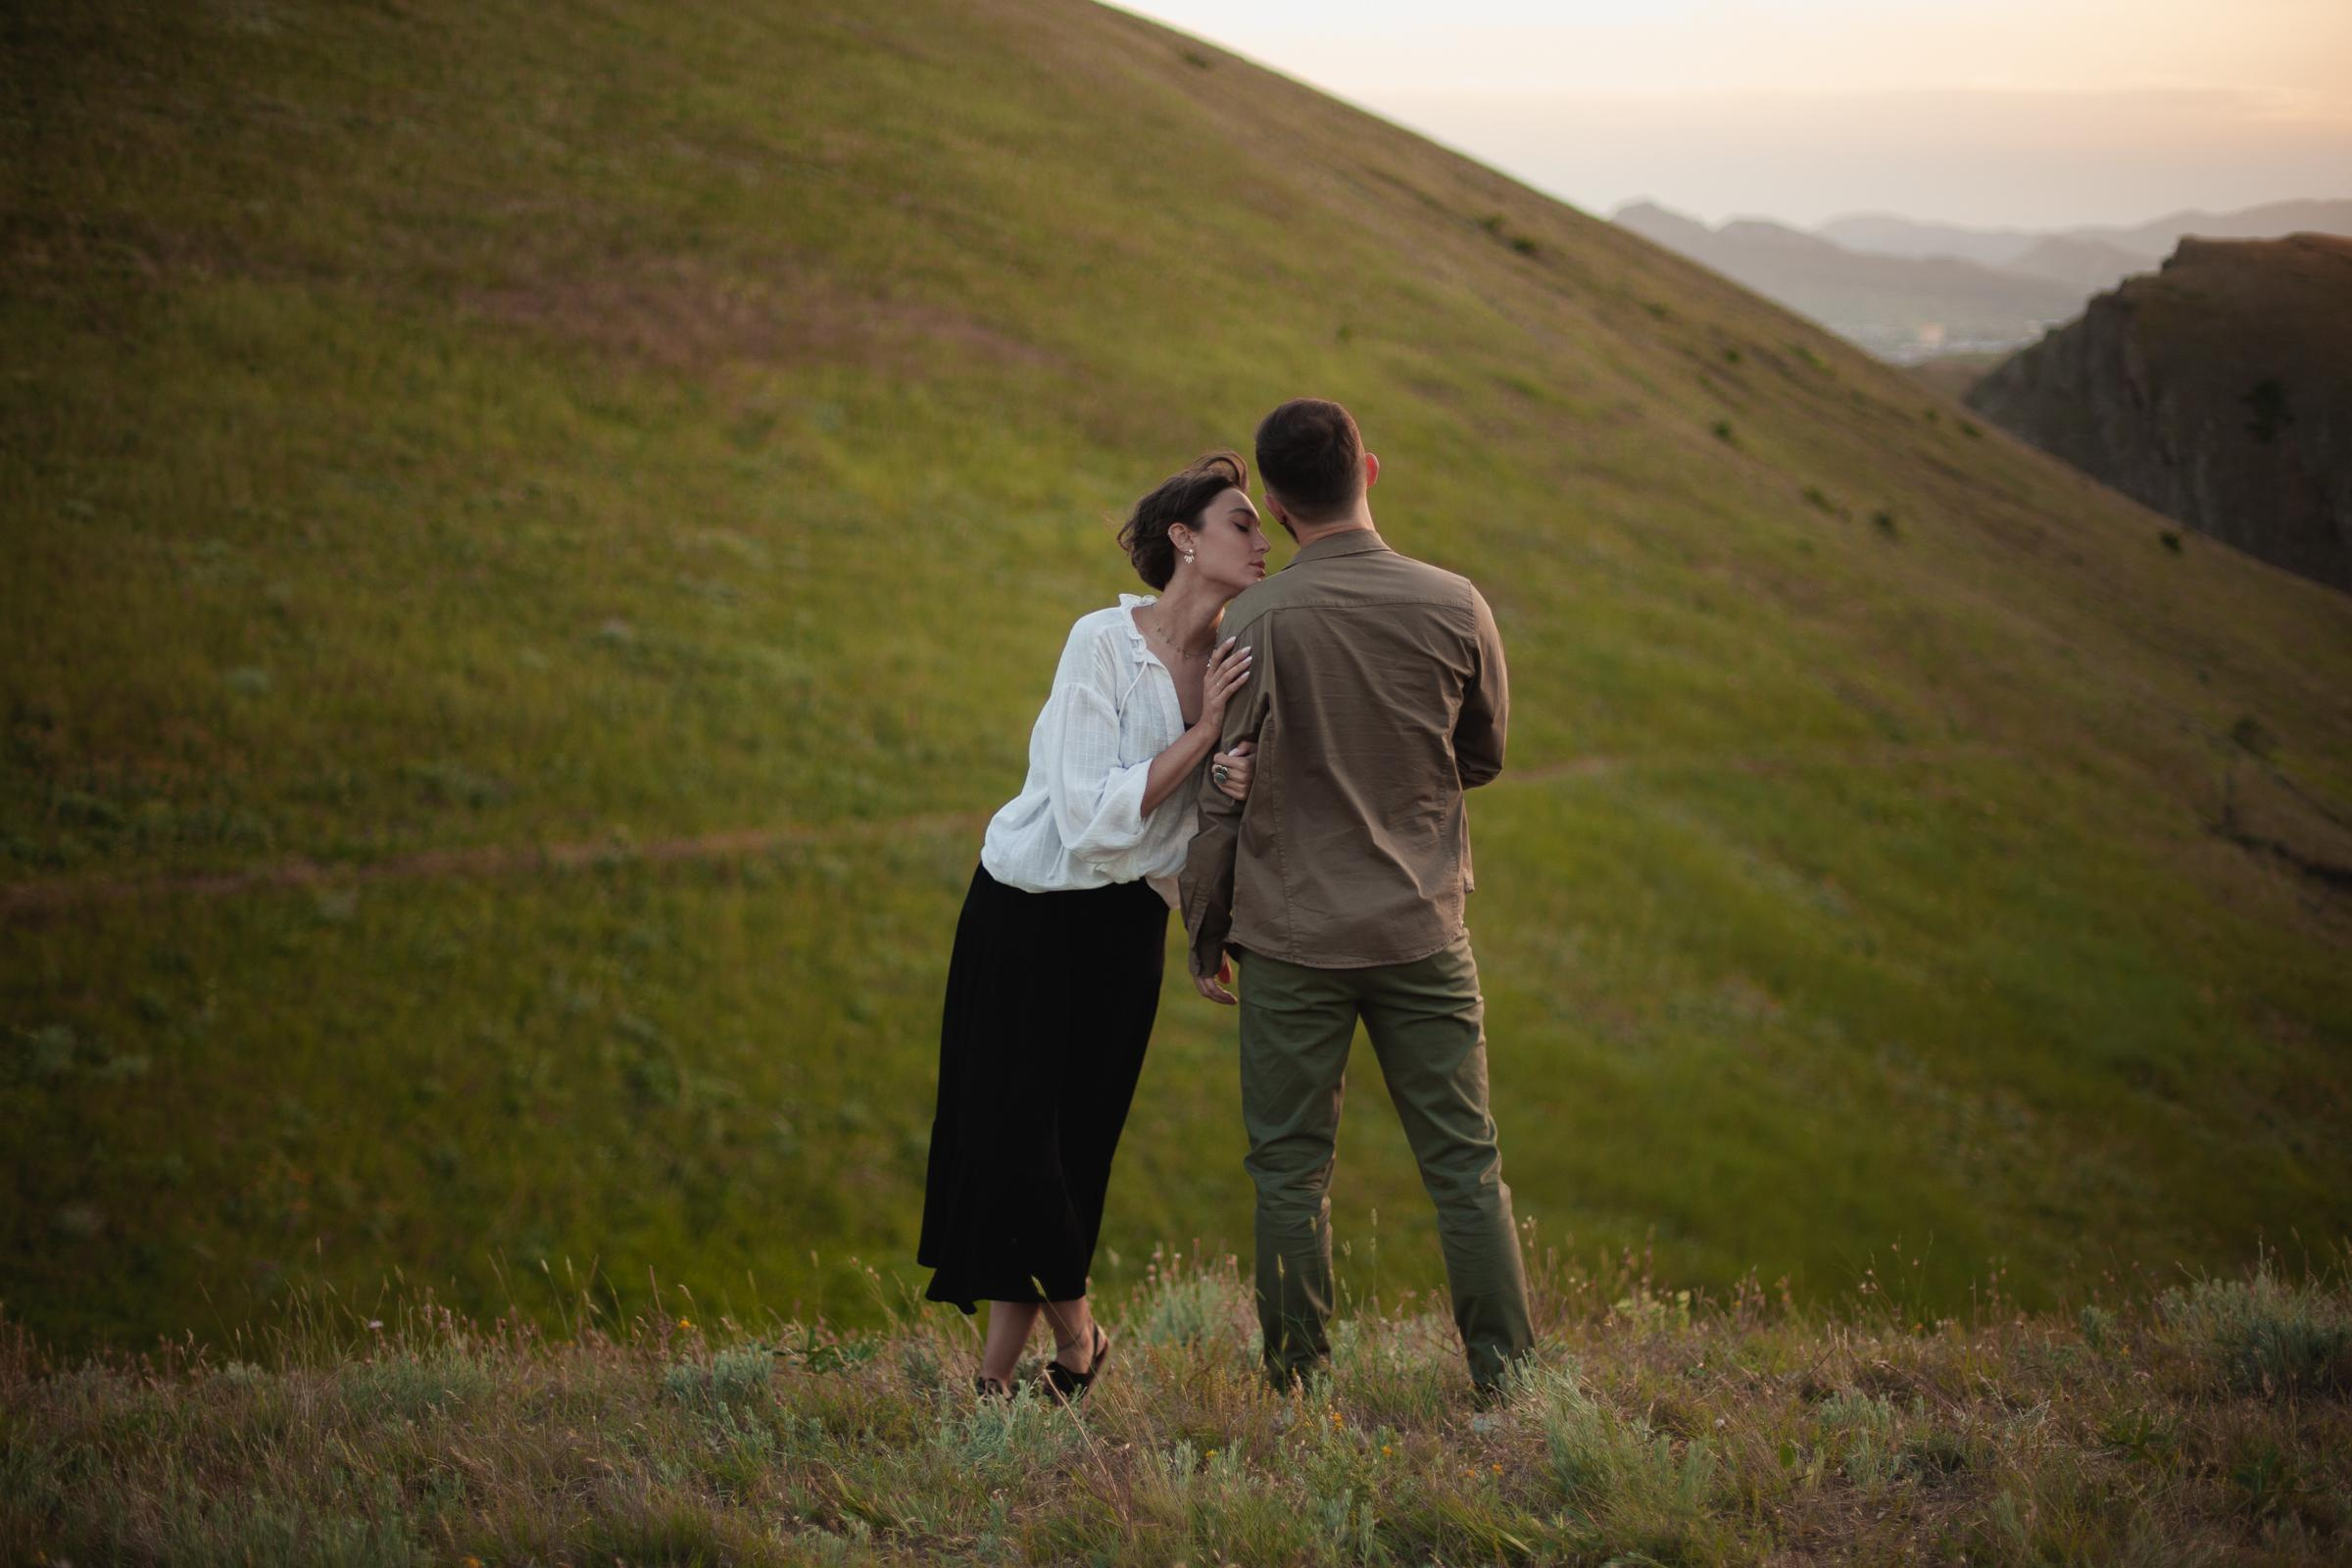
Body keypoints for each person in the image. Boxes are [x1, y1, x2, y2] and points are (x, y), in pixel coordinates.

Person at [1179, 398, 1534, 1399]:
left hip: (1292, 942)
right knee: (1465, 1166)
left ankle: (1299, 1388)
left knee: (1290, 1173)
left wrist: (1205, 934)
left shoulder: (1249, 621)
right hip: (1423, 927)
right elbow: (1484, 756)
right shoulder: (1456, 603)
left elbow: (1226, 788)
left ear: (1278, 504)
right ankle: (1508, 1388)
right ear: (1369, 470)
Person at [918, 450, 1272, 1401]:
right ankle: (1081, 1342)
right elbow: (1083, 812)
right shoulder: (1102, 644)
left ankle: (996, 1388)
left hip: (1125, 930)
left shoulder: (1243, 660)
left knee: (1073, 1151)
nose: (1260, 538)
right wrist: (1201, 741)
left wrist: (1226, 792)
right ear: (1184, 538)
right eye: (1240, 521)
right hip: (1027, 908)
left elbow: (1199, 835)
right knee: (1012, 1140)